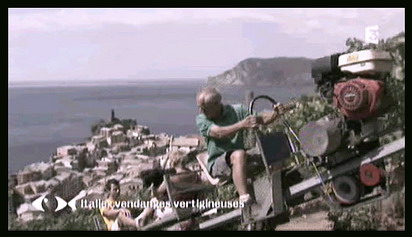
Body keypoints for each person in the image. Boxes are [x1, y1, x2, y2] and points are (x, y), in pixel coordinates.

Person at [195, 87, 285, 205]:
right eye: (201, 109)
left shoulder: (237, 110)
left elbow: (261, 118)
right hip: (217, 163)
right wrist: (242, 124)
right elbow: (219, 133)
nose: (202, 112)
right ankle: (244, 199)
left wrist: (275, 113)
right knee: (239, 154)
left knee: (272, 146)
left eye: (205, 109)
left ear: (217, 104)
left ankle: (278, 187)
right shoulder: (201, 119)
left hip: (241, 156)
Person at [135, 150, 208, 229]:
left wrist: (153, 188)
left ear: (173, 163)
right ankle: (142, 221)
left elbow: (157, 194)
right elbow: (201, 195)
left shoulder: (171, 179)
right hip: (191, 210)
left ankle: (141, 221)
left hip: (175, 211)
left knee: (154, 201)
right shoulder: (195, 175)